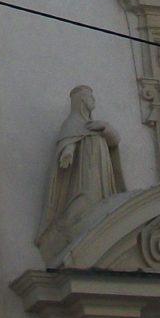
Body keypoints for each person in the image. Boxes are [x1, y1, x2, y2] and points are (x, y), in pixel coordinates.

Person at [37, 86, 125, 248]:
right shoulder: (72, 123)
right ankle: (63, 227)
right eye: (91, 97)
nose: (94, 101)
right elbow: (68, 140)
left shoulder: (95, 125)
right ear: (83, 100)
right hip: (86, 172)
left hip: (102, 174)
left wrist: (105, 128)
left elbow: (115, 141)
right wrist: (68, 152)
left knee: (101, 203)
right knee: (84, 198)